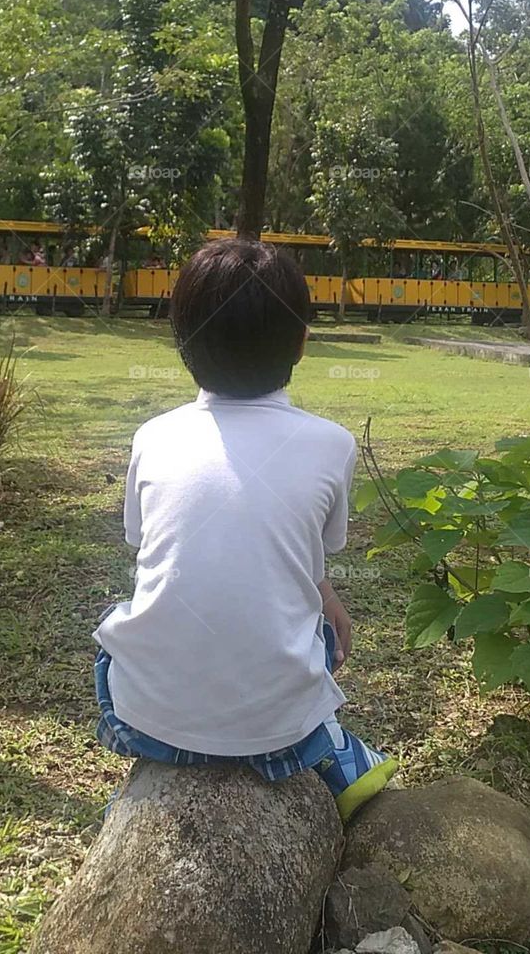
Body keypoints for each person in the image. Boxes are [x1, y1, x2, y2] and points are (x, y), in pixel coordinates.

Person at [94, 238, 397, 822]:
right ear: (303, 343)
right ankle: (329, 752)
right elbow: (311, 556)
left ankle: (150, 793)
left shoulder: (153, 437)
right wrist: (326, 595)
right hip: (278, 729)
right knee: (320, 635)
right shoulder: (332, 444)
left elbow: (142, 546)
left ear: (180, 342)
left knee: (113, 630)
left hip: (144, 718)